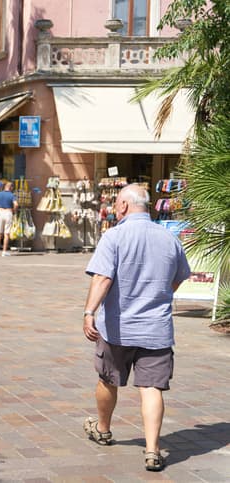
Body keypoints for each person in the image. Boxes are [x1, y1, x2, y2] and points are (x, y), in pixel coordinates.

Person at [82, 184, 190, 472]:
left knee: (108, 379)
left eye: (117, 203)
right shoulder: (169, 238)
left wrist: (89, 312)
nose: (116, 207)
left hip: (117, 327)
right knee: (152, 387)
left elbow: (103, 278)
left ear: (125, 206)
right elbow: (178, 279)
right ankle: (153, 450)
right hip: (156, 328)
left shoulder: (114, 236)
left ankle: (103, 429)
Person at [0, 182, 17, 256]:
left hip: (0, 212)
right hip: (8, 212)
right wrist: (14, 210)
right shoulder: (12, 195)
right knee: (6, 233)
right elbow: (16, 204)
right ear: (11, 187)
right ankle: (4, 251)